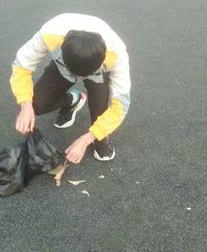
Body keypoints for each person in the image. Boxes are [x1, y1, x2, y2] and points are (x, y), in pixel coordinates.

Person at [10, 13, 131, 164]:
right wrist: (25, 104)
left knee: (100, 110)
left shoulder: (117, 55)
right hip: (64, 65)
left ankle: (100, 138)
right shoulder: (50, 33)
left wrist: (88, 138)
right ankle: (73, 101)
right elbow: (21, 66)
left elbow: (120, 106)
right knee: (36, 105)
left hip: (99, 72)